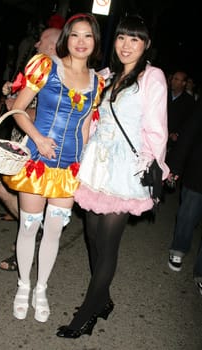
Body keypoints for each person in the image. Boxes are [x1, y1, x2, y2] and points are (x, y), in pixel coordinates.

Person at [56, 14, 169, 339]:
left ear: (145, 44)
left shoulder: (153, 77)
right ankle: (103, 299)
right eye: (121, 37)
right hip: (96, 164)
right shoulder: (105, 75)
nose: (126, 45)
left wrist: (151, 163)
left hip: (125, 169)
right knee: (91, 237)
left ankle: (87, 314)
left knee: (107, 245)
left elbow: (157, 129)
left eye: (135, 39)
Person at [1, 13, 104, 322]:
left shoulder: (97, 81)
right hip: (36, 160)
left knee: (54, 232)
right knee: (29, 227)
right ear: (66, 40)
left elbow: (86, 125)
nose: (81, 42)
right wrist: (38, 138)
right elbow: (17, 109)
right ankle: (23, 286)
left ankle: (41, 288)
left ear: (95, 42)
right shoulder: (45, 66)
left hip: (68, 168)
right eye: (75, 35)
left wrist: (83, 164)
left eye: (88, 36)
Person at [0, 27, 62, 271]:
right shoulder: (39, 66)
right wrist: (10, 94)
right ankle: (32, 231)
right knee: (5, 190)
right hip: (21, 142)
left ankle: (32, 238)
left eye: (41, 40)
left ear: (54, 45)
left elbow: (47, 114)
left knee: (6, 191)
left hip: (37, 148)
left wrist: (18, 106)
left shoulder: (56, 73)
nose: (36, 44)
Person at [166, 97, 202, 294]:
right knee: (188, 214)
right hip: (199, 172)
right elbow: (189, 133)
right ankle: (178, 248)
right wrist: (176, 165)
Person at [166, 70, 195, 157]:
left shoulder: (189, 101)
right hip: (158, 133)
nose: (173, 81)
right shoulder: (164, 94)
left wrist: (177, 133)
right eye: (173, 79)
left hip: (172, 141)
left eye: (176, 79)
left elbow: (189, 121)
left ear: (183, 83)